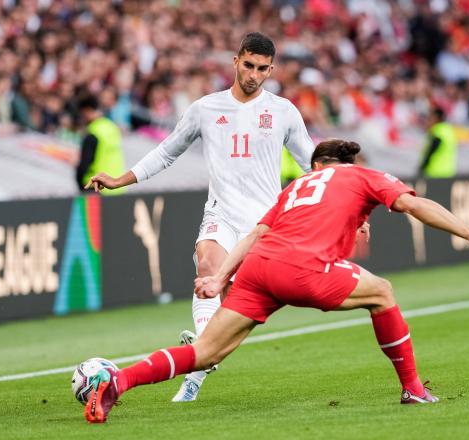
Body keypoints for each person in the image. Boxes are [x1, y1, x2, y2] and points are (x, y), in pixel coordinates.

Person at [83, 139, 469, 423]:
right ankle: (414, 391)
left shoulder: (298, 186)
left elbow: (256, 233)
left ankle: (117, 382)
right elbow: (412, 205)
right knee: (382, 293)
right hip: (302, 270)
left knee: (203, 352)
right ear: (347, 164)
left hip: (257, 270)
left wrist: (219, 279)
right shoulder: (362, 176)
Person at [84, 32, 315, 401]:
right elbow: (166, 152)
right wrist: (119, 179)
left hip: (263, 223)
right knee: (207, 267)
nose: (253, 74)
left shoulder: (284, 111)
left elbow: (312, 164)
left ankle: (199, 366)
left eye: (262, 69)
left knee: (238, 309)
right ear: (235, 61)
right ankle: (204, 353)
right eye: (248, 65)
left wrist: (350, 202)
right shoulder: (206, 108)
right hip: (221, 212)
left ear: (271, 69)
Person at [76, 94, 126, 195]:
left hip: (96, 186)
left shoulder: (93, 133)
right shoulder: (112, 127)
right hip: (118, 187)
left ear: (87, 110)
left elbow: (84, 164)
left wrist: (80, 184)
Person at [418, 107, 457, 178]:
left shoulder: (438, 132)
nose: (428, 120)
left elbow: (431, 151)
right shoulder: (448, 130)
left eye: (430, 117)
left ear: (436, 117)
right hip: (448, 171)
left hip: (435, 173)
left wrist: (422, 168)